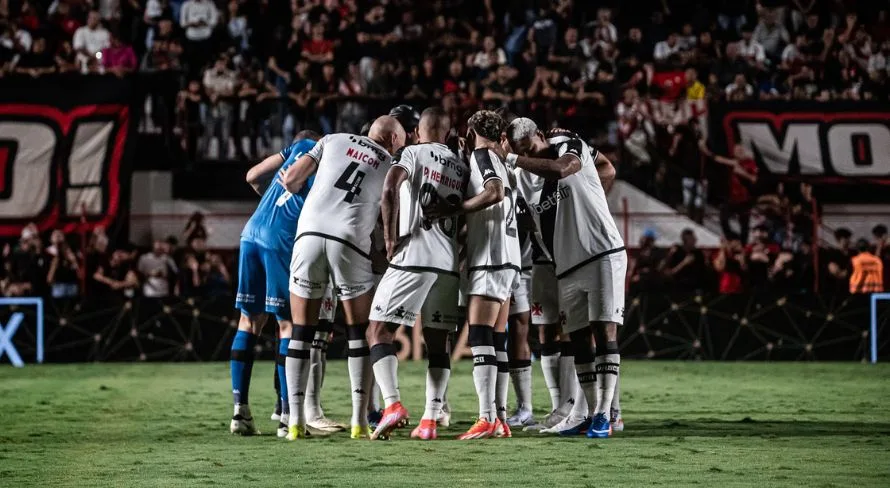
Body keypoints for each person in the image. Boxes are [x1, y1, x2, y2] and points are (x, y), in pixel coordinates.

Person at [281, 116, 406, 440]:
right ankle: (359, 422)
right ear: (392, 140)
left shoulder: (331, 139)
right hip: (349, 242)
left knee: (301, 332)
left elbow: (292, 179)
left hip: (308, 235)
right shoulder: (391, 163)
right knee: (357, 332)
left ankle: (295, 422)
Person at [505, 117, 625, 439]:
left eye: (529, 149)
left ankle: (606, 413)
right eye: (520, 152)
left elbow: (562, 170)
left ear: (541, 137)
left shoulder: (569, 146)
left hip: (601, 253)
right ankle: (583, 412)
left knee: (604, 331)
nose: (526, 158)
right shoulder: (519, 178)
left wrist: (514, 158)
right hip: (565, 266)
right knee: (580, 340)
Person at [365, 107, 468, 441]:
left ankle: (392, 404)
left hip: (415, 255)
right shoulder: (461, 164)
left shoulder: (413, 152)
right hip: (448, 263)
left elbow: (390, 187)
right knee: (438, 345)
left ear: (419, 131)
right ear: (448, 132)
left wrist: (392, 239)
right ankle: (431, 420)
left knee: (378, 330)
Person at [440, 110, 520, 440]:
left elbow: (494, 192)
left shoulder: (482, 154)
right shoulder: (502, 161)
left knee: (480, 336)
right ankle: (499, 418)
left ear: (472, 131)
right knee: (497, 338)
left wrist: (455, 209)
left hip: (491, 255)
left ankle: (486, 417)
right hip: (509, 256)